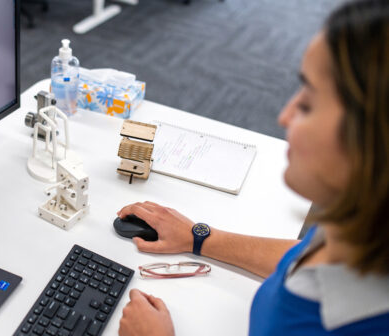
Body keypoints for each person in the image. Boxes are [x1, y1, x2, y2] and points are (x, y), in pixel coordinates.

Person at [116, 0, 389, 335]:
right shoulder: (361, 229)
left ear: (373, 141)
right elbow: (303, 253)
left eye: (308, 104)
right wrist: (199, 238)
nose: (285, 116)